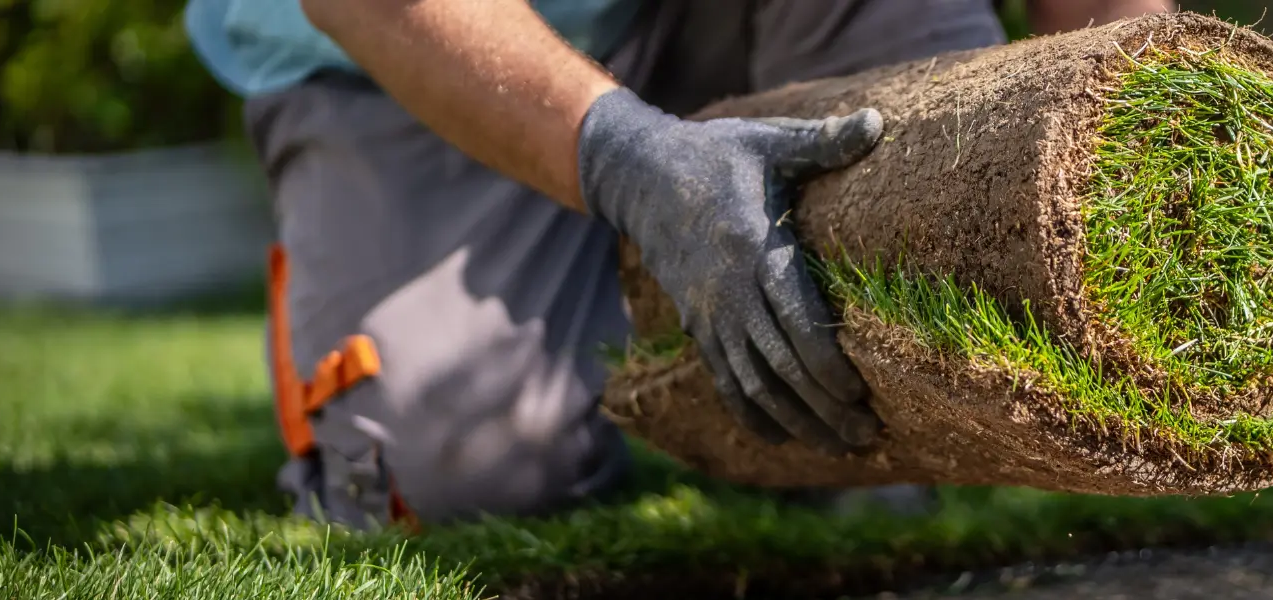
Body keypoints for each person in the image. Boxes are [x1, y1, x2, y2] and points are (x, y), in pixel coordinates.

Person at [183, 0, 1172, 530]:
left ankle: (860, 436)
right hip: (414, 62)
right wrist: (626, 158)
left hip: (701, 18)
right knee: (456, 472)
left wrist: (1145, 141)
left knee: (940, 297)